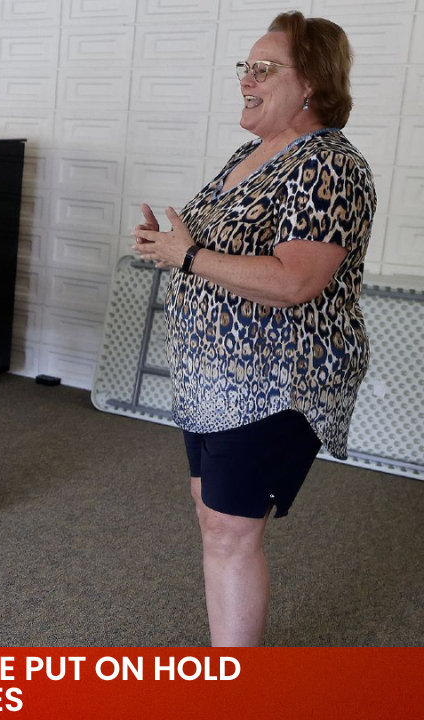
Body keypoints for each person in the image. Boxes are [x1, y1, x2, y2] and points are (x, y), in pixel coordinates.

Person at [130, 12, 375, 647]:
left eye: (264, 69)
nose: (247, 79)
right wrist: (170, 244)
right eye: (246, 66)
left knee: (232, 528)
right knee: (215, 517)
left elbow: (297, 281)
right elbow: (216, 249)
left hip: (276, 380)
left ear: (313, 84)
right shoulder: (253, 153)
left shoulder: (330, 166)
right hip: (212, 377)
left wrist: (187, 257)